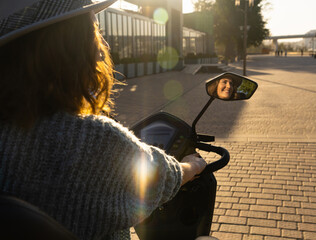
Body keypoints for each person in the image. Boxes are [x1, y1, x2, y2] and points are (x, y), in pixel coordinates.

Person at [0, 1, 206, 240]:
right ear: (68, 48)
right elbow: (160, 178)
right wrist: (193, 166)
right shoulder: (89, 140)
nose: (105, 46)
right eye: (96, 31)